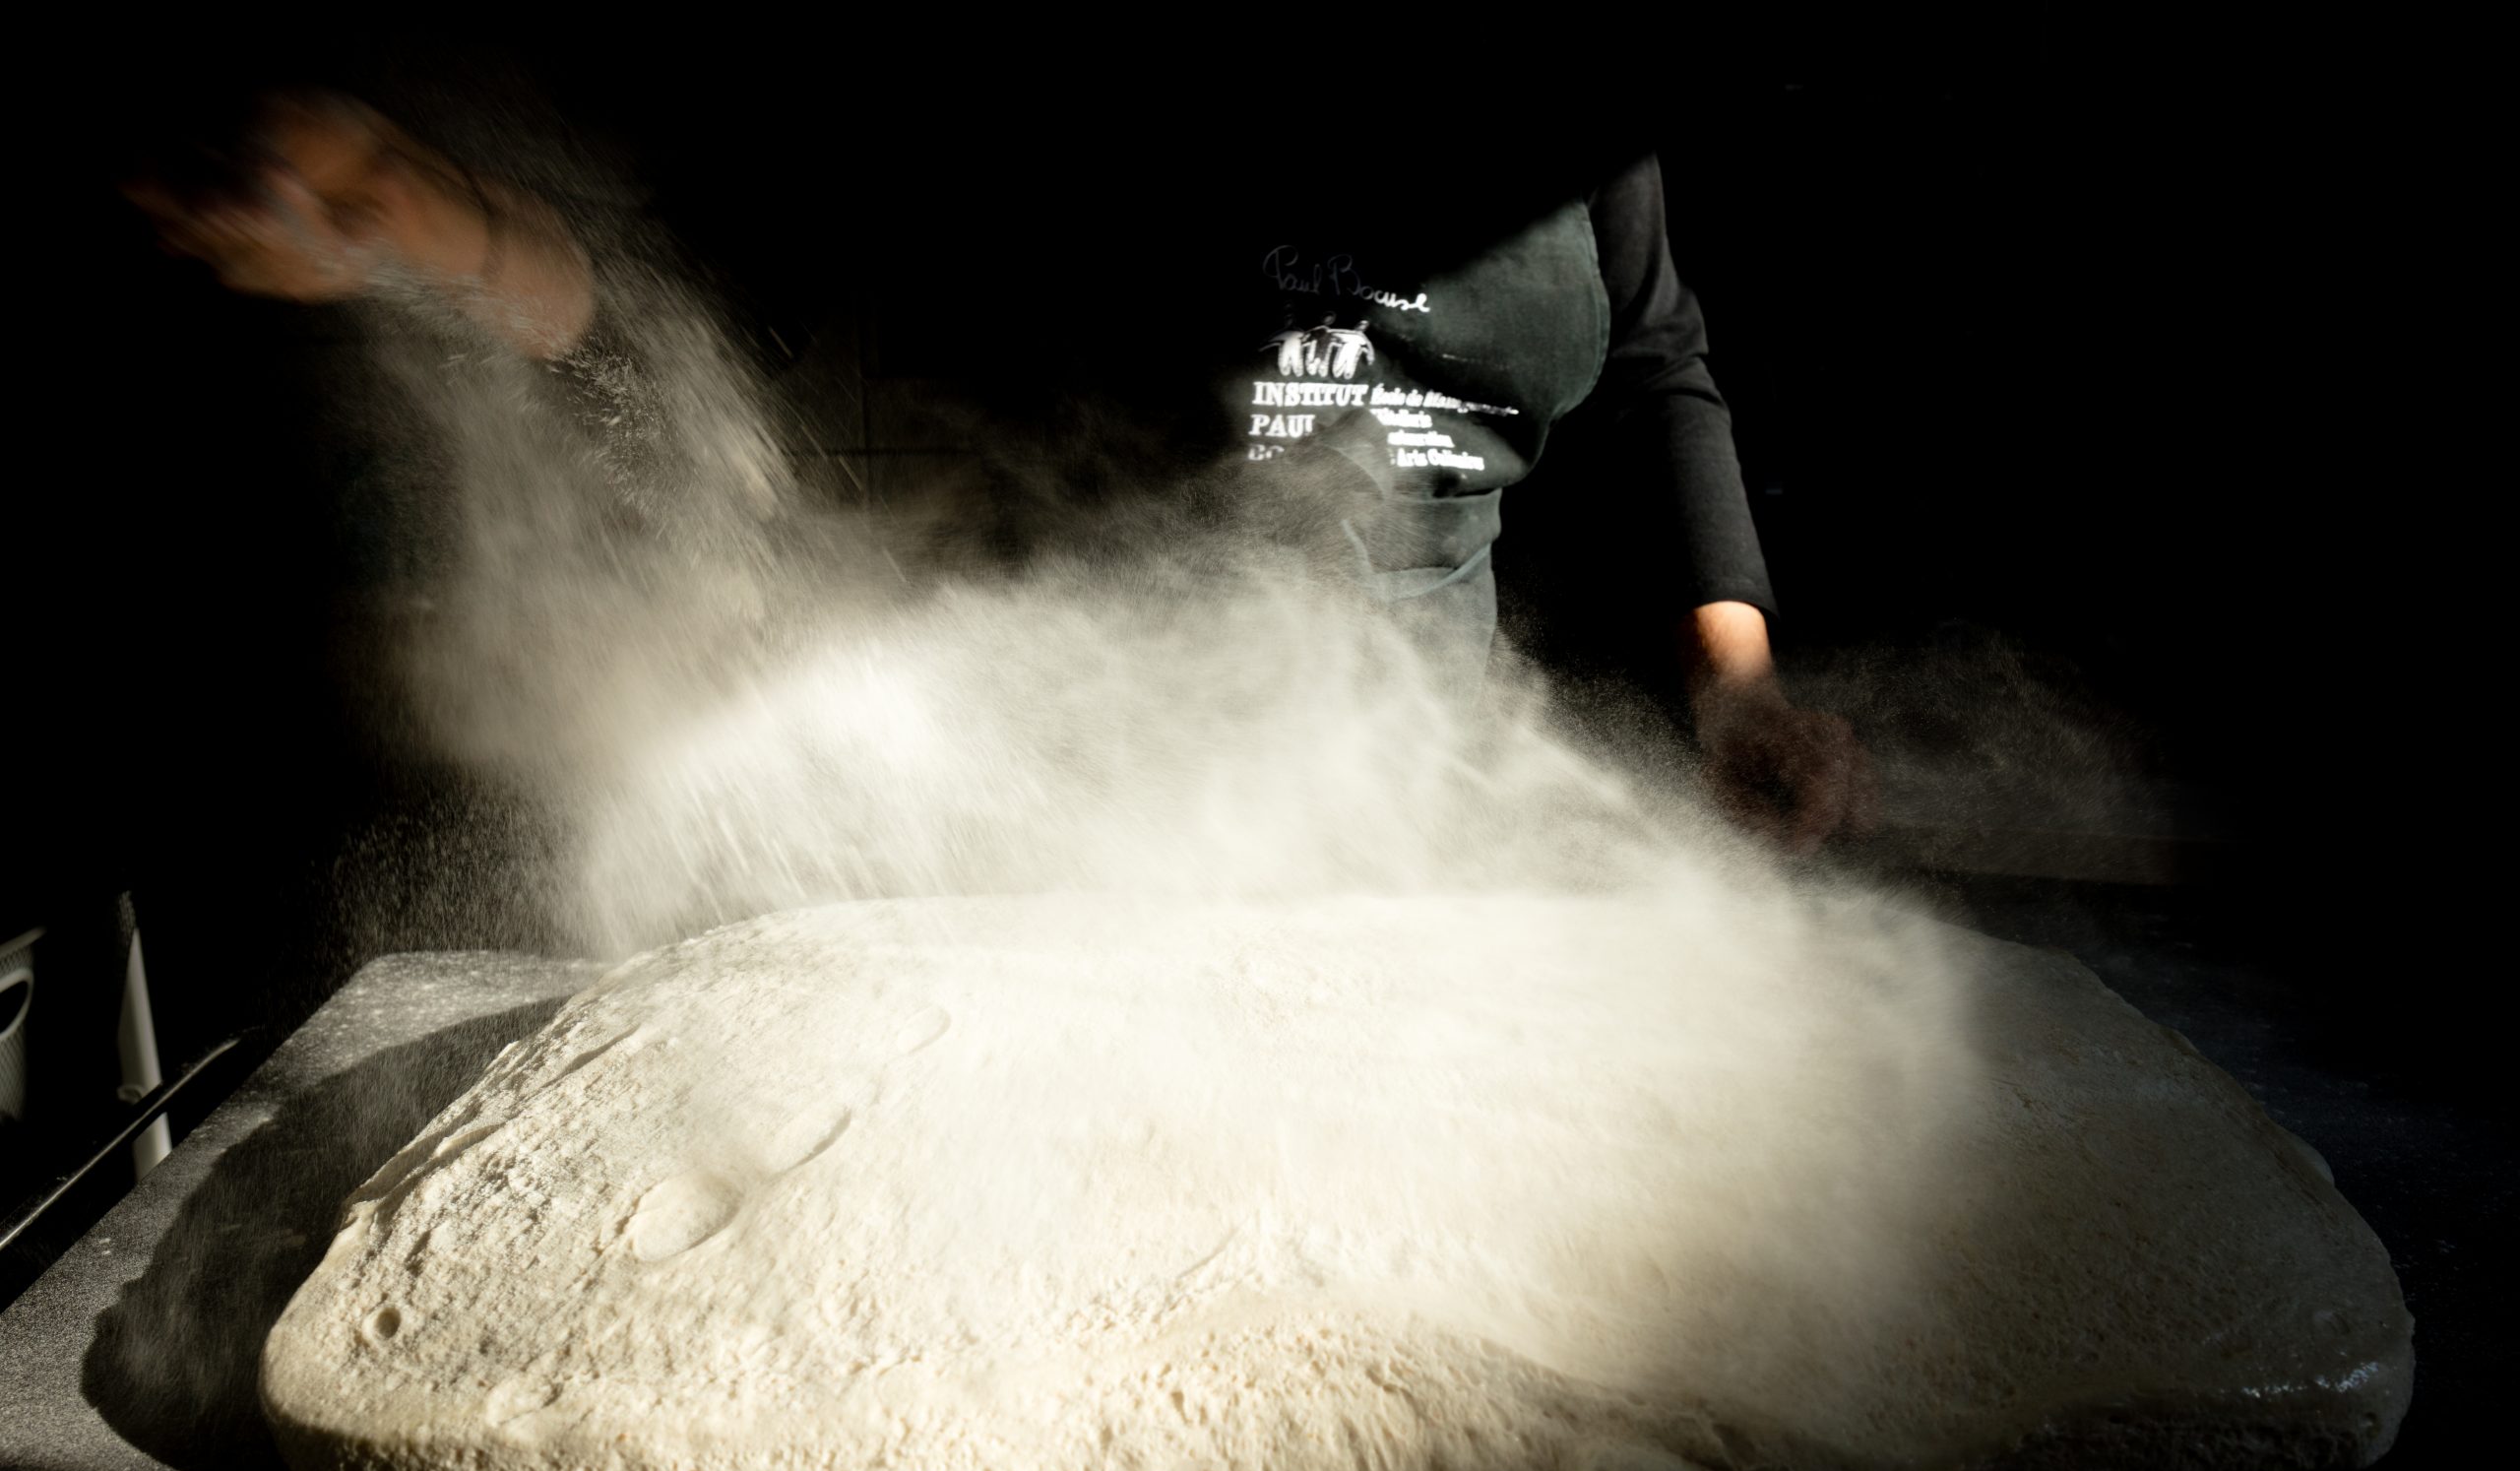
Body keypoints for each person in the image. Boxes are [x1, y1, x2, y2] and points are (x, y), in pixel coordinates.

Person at [130, 92, 1877, 854]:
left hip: (1444, 805)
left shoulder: (1593, 127)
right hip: (1102, 832)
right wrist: (440, 231)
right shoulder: (1049, 98)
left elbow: (1660, 367)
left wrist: (1738, 692)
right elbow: (698, 313)